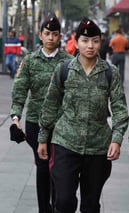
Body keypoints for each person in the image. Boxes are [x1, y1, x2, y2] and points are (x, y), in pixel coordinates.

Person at [37, 17, 129, 212]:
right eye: (85, 41)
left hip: (98, 147)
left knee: (91, 203)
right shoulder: (63, 70)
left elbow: (120, 108)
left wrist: (117, 139)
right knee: (63, 201)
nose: (90, 46)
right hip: (65, 142)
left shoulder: (110, 73)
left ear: (101, 42)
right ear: (76, 41)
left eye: (95, 41)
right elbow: (50, 105)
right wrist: (43, 138)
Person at [10, 14, 72, 212]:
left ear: (60, 37)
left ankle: (58, 206)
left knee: (59, 169)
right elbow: (20, 90)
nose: (51, 38)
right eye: (47, 34)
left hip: (62, 124)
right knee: (43, 166)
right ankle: (44, 208)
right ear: (40, 35)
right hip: (36, 123)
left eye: (55, 34)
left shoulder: (69, 62)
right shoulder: (29, 61)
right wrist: (15, 118)